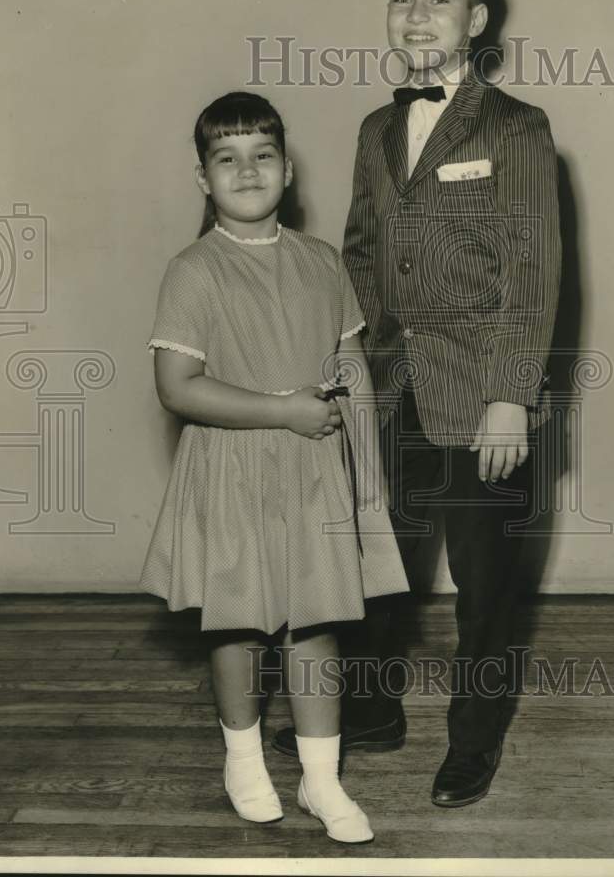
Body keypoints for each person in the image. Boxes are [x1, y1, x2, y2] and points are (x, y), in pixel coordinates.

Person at [273, 0, 562, 809]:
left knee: (484, 591)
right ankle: (370, 714)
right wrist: (334, 360)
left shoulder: (517, 127)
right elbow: (361, 257)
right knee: (376, 569)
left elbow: (534, 267)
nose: (417, 14)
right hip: (389, 392)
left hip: (482, 401)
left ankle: (472, 744)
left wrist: (511, 396)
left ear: (476, 18)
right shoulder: (374, 129)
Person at [140, 91, 408, 843]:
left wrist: (363, 467)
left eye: (262, 155)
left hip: (314, 470)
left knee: (317, 627)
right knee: (240, 626)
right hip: (231, 471)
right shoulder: (194, 270)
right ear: (203, 178)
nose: (246, 170)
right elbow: (177, 387)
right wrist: (283, 409)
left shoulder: (320, 262)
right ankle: (244, 760)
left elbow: (349, 363)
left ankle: (323, 781)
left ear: (288, 168)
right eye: (226, 159)